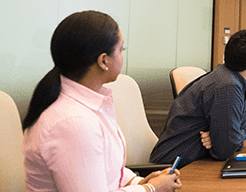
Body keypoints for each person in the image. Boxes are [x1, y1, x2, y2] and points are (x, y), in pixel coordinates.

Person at [22, 10, 181, 192]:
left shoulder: (87, 105)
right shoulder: (74, 123)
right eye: (120, 50)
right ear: (103, 61)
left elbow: (102, 166)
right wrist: (151, 189)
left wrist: (137, 181)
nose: (122, 56)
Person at [150, 27, 246, 168]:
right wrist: (224, 138)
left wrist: (221, 137)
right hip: (175, 168)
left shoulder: (236, 80)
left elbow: (244, 130)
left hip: (195, 160)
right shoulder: (228, 86)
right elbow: (225, 150)